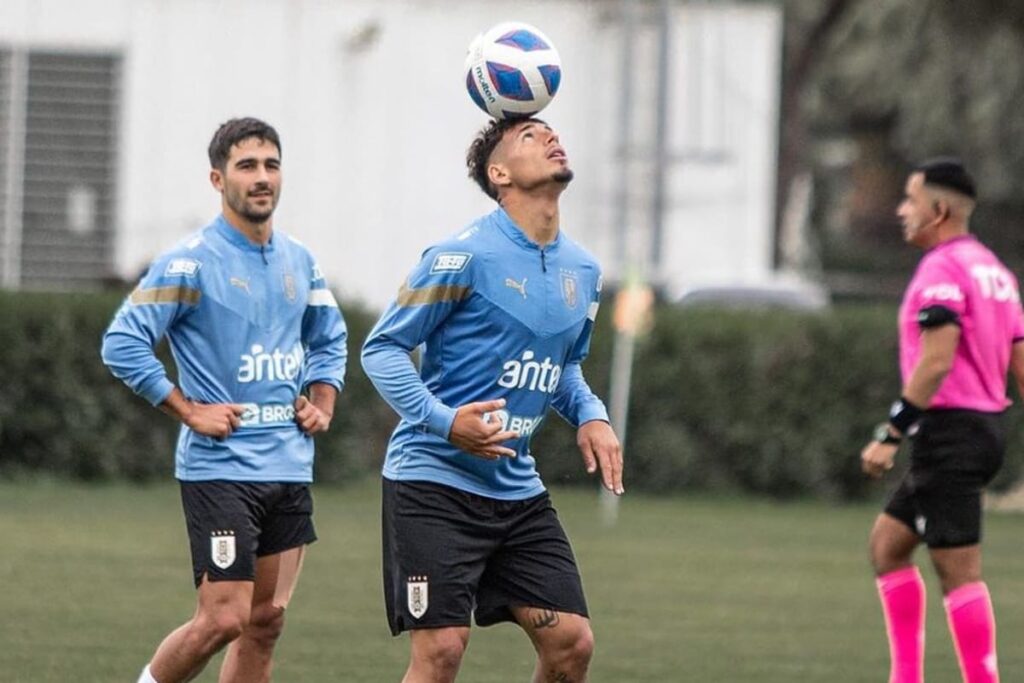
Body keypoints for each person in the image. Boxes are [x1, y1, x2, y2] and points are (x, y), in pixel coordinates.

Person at [361, 117, 624, 683]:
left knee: (571, 643)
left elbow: (563, 368)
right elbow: (381, 350)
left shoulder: (584, 270)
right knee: (442, 652)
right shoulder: (461, 256)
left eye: (553, 131)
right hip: (432, 484)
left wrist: (592, 416)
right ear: (498, 174)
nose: (552, 138)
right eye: (530, 136)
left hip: (515, 489)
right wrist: (445, 420)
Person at [101, 117, 347, 683]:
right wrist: (187, 410)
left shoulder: (299, 260)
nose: (262, 178)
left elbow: (329, 337)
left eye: (271, 165)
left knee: (266, 621)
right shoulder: (190, 262)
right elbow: (122, 342)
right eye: (247, 166)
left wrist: (323, 398)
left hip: (289, 464)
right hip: (221, 471)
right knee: (223, 619)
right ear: (218, 179)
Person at [861, 158, 1024, 683]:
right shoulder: (994, 271)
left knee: (960, 575)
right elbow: (1020, 361)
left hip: (951, 432)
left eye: (910, 200)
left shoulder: (943, 268)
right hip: (981, 430)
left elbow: (936, 361)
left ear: (940, 209)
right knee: (888, 547)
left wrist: (890, 433)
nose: (901, 210)